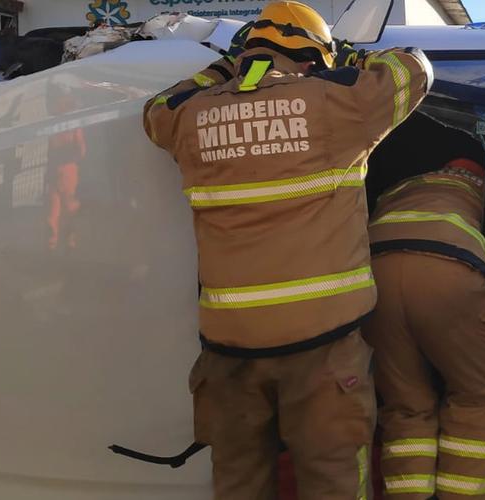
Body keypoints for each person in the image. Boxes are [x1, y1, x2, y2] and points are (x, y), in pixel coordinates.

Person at [141, 1, 432, 497]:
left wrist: (222, 70)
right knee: (333, 480)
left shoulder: (191, 117)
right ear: (316, 57)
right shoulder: (338, 104)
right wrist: (350, 62)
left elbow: (155, 110)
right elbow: (415, 68)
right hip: (323, 350)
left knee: (238, 483)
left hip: (228, 354)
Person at [363, 158, 485, 499]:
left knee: (406, 406)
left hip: (376, 277)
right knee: (475, 401)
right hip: (446, 274)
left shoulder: (407, 183)